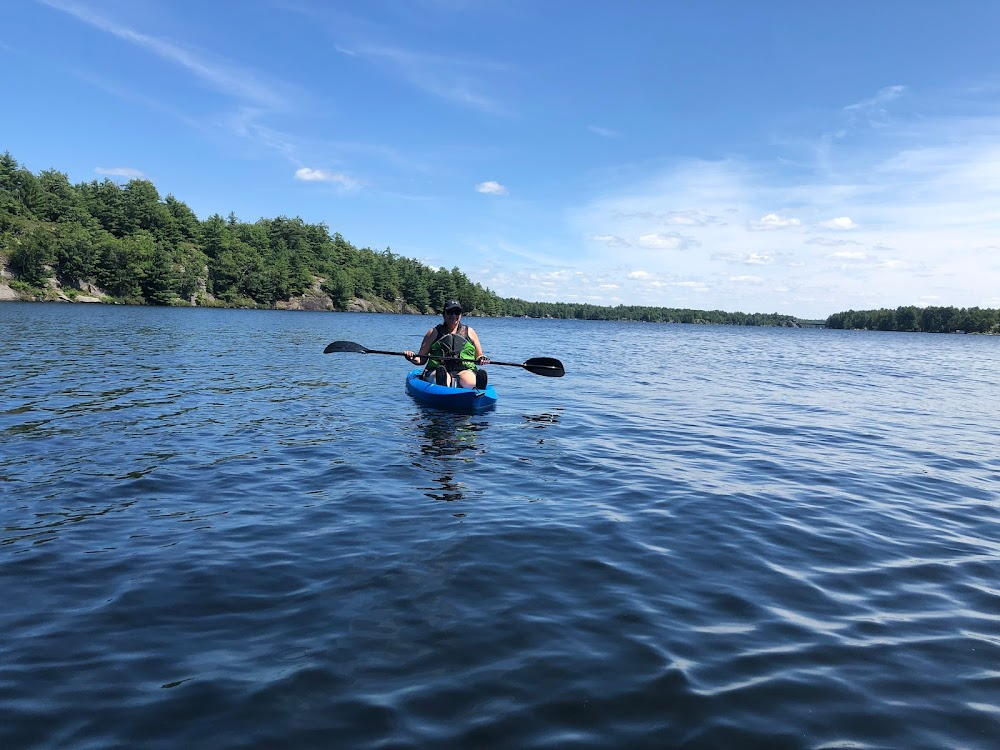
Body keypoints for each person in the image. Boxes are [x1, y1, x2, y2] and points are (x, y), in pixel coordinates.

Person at [404, 299, 490, 389]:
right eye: (450, 312)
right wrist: (412, 357)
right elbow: (421, 359)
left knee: (468, 380)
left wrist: (482, 359)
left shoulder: (470, 332)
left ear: (460, 315)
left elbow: (479, 356)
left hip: (464, 369)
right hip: (437, 369)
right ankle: (442, 385)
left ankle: (478, 387)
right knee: (443, 376)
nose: (453, 315)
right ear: (444, 314)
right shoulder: (433, 333)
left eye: (457, 312)